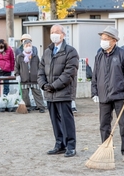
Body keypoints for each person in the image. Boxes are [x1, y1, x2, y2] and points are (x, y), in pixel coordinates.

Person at [91, 26, 124, 163]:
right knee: (104, 125)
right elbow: (95, 75)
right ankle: (106, 149)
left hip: (120, 96)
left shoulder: (122, 54)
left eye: (106, 39)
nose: (103, 41)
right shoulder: (99, 55)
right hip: (104, 96)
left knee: (123, 124)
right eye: (102, 38)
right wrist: (94, 92)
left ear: (114, 40)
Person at [38, 24, 79, 157]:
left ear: (63, 34)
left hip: (64, 92)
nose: (54, 34)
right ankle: (59, 144)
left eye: (57, 32)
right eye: (52, 32)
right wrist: (43, 84)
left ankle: (71, 145)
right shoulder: (47, 51)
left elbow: (69, 73)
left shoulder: (70, 51)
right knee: (55, 121)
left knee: (67, 120)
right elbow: (41, 70)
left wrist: (54, 85)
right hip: (50, 93)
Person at [14, 37, 46, 113]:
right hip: (24, 78)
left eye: (29, 45)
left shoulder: (35, 56)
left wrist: (40, 75)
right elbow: (16, 67)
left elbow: (40, 67)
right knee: (24, 94)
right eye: (26, 45)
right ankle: (27, 107)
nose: (28, 47)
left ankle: (41, 107)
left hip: (34, 78)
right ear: (24, 47)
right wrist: (17, 75)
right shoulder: (20, 57)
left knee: (37, 93)